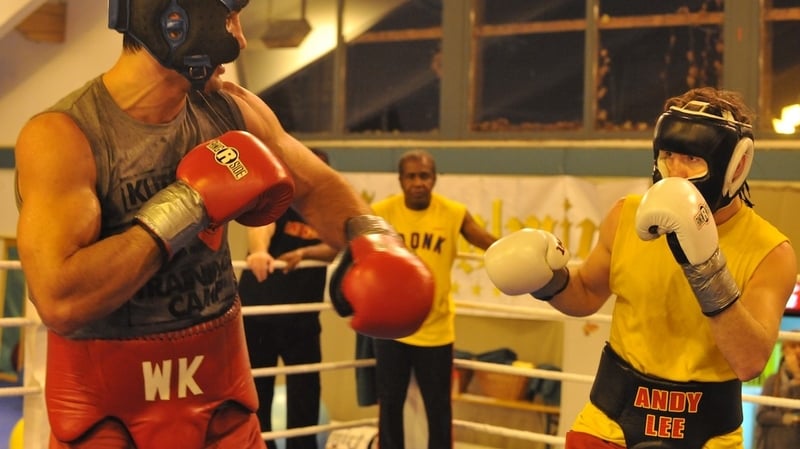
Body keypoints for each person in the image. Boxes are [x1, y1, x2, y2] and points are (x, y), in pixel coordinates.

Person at [13, 2, 434, 448]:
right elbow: (59, 298)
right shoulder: (65, 137)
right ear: (175, 22)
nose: (240, 39)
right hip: (110, 411)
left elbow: (314, 185)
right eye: (228, 20)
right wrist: (185, 206)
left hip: (220, 397)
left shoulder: (230, 111)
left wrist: (374, 240)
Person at [485, 87, 798, 449]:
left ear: (735, 166)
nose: (676, 172)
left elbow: (750, 362)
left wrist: (705, 266)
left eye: (693, 159)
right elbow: (585, 293)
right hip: (609, 422)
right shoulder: (627, 216)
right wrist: (548, 280)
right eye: (668, 155)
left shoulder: (771, 251)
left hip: (706, 435)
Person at [369, 149, 498, 449]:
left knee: (439, 409)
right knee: (389, 405)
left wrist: (526, 254)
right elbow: (349, 246)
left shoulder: (453, 213)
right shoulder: (380, 212)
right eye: (411, 176)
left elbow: (488, 242)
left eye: (424, 176)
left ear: (434, 179)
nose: (418, 182)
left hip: (436, 329)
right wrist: (304, 252)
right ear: (400, 180)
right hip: (392, 328)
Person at [240, 150, 337, 449]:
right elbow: (260, 226)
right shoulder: (278, 196)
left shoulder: (328, 208)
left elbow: (340, 244)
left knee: (305, 395)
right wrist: (259, 252)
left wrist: (305, 253)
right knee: (257, 396)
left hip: (302, 319)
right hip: (259, 315)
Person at [755, 332, 800, 449]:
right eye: (793, 346)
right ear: (784, 351)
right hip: (773, 443)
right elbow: (761, 415)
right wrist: (788, 418)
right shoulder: (773, 381)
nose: (798, 352)